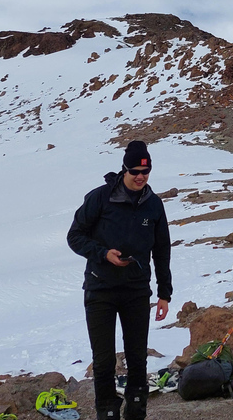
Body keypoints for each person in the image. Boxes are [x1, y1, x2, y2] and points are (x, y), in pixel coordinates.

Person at [67, 140, 172, 420]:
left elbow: (162, 250)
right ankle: (108, 413)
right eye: (136, 171)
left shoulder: (154, 204)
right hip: (100, 289)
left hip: (137, 290)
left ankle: (136, 412)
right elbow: (74, 236)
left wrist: (164, 293)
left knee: (137, 358)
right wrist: (103, 254)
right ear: (124, 169)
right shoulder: (100, 198)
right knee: (103, 361)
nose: (140, 177)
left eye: (146, 172)